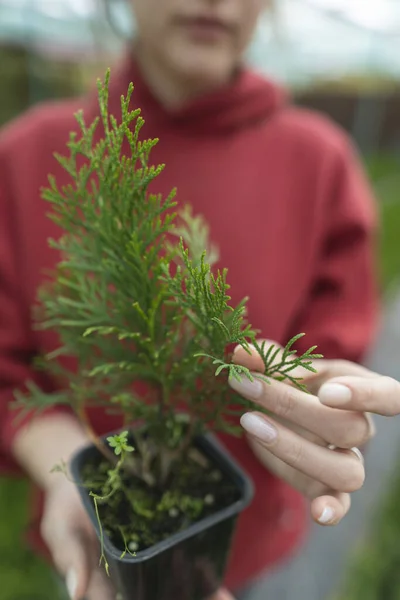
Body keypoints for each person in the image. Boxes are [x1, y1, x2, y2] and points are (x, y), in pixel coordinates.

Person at [1, 0, 400, 599]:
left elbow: (329, 347)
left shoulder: (322, 163)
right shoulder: (25, 157)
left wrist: (315, 406)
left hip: (259, 532)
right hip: (99, 524)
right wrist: (73, 472)